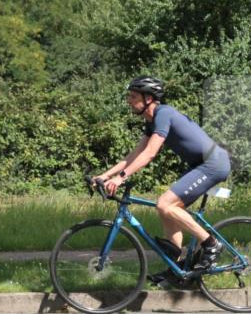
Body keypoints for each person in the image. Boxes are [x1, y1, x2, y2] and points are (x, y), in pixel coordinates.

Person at [94, 76, 231, 287]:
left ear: (148, 98)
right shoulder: (152, 122)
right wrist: (105, 175)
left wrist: (121, 178)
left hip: (213, 163)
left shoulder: (163, 114)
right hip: (199, 165)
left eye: (133, 96)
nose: (129, 100)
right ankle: (175, 269)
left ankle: (211, 244)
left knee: (165, 203)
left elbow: (150, 154)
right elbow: (132, 156)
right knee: (166, 208)